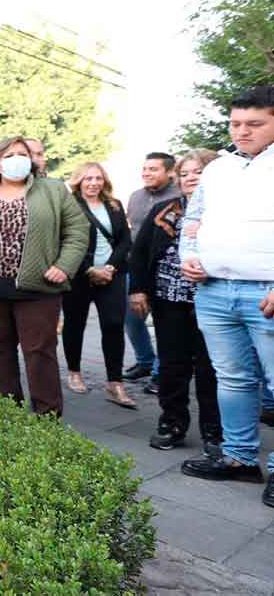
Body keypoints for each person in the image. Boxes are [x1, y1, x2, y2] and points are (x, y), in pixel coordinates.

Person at [177, 86, 274, 507]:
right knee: (232, 378)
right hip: (214, 289)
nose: (242, 132)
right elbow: (193, 220)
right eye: (236, 124)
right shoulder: (218, 169)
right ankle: (239, 457)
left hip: (264, 293)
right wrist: (189, 256)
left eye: (254, 124)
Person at [0, 136, 88, 416]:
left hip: (38, 289)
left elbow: (77, 231)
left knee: (39, 353)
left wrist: (64, 265)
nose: (16, 159)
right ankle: (9, 414)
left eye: (22, 153)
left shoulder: (53, 190)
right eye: (9, 154)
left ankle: (46, 416)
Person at [129, 149, 220, 452]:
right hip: (170, 301)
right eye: (185, 173)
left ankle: (215, 432)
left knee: (212, 369)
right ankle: (172, 423)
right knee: (171, 366)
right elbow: (140, 252)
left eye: (199, 172)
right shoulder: (165, 209)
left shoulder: (228, 210)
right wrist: (139, 289)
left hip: (214, 302)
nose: (190, 178)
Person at [62, 163, 134, 408]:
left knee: (114, 324)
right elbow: (63, 241)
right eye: (88, 178)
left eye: (98, 178)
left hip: (112, 274)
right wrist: (88, 269)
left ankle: (115, 382)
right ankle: (74, 371)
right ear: (78, 181)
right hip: (79, 275)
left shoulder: (114, 205)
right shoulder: (68, 204)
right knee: (75, 323)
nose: (93, 183)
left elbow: (125, 239)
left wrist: (111, 267)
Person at [123, 152, 179, 393]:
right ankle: (145, 361)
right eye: (145, 169)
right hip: (135, 266)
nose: (146, 173)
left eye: (153, 169)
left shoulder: (178, 198)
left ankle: (160, 372)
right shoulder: (135, 196)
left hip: (166, 270)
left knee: (165, 324)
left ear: (169, 172)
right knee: (131, 318)